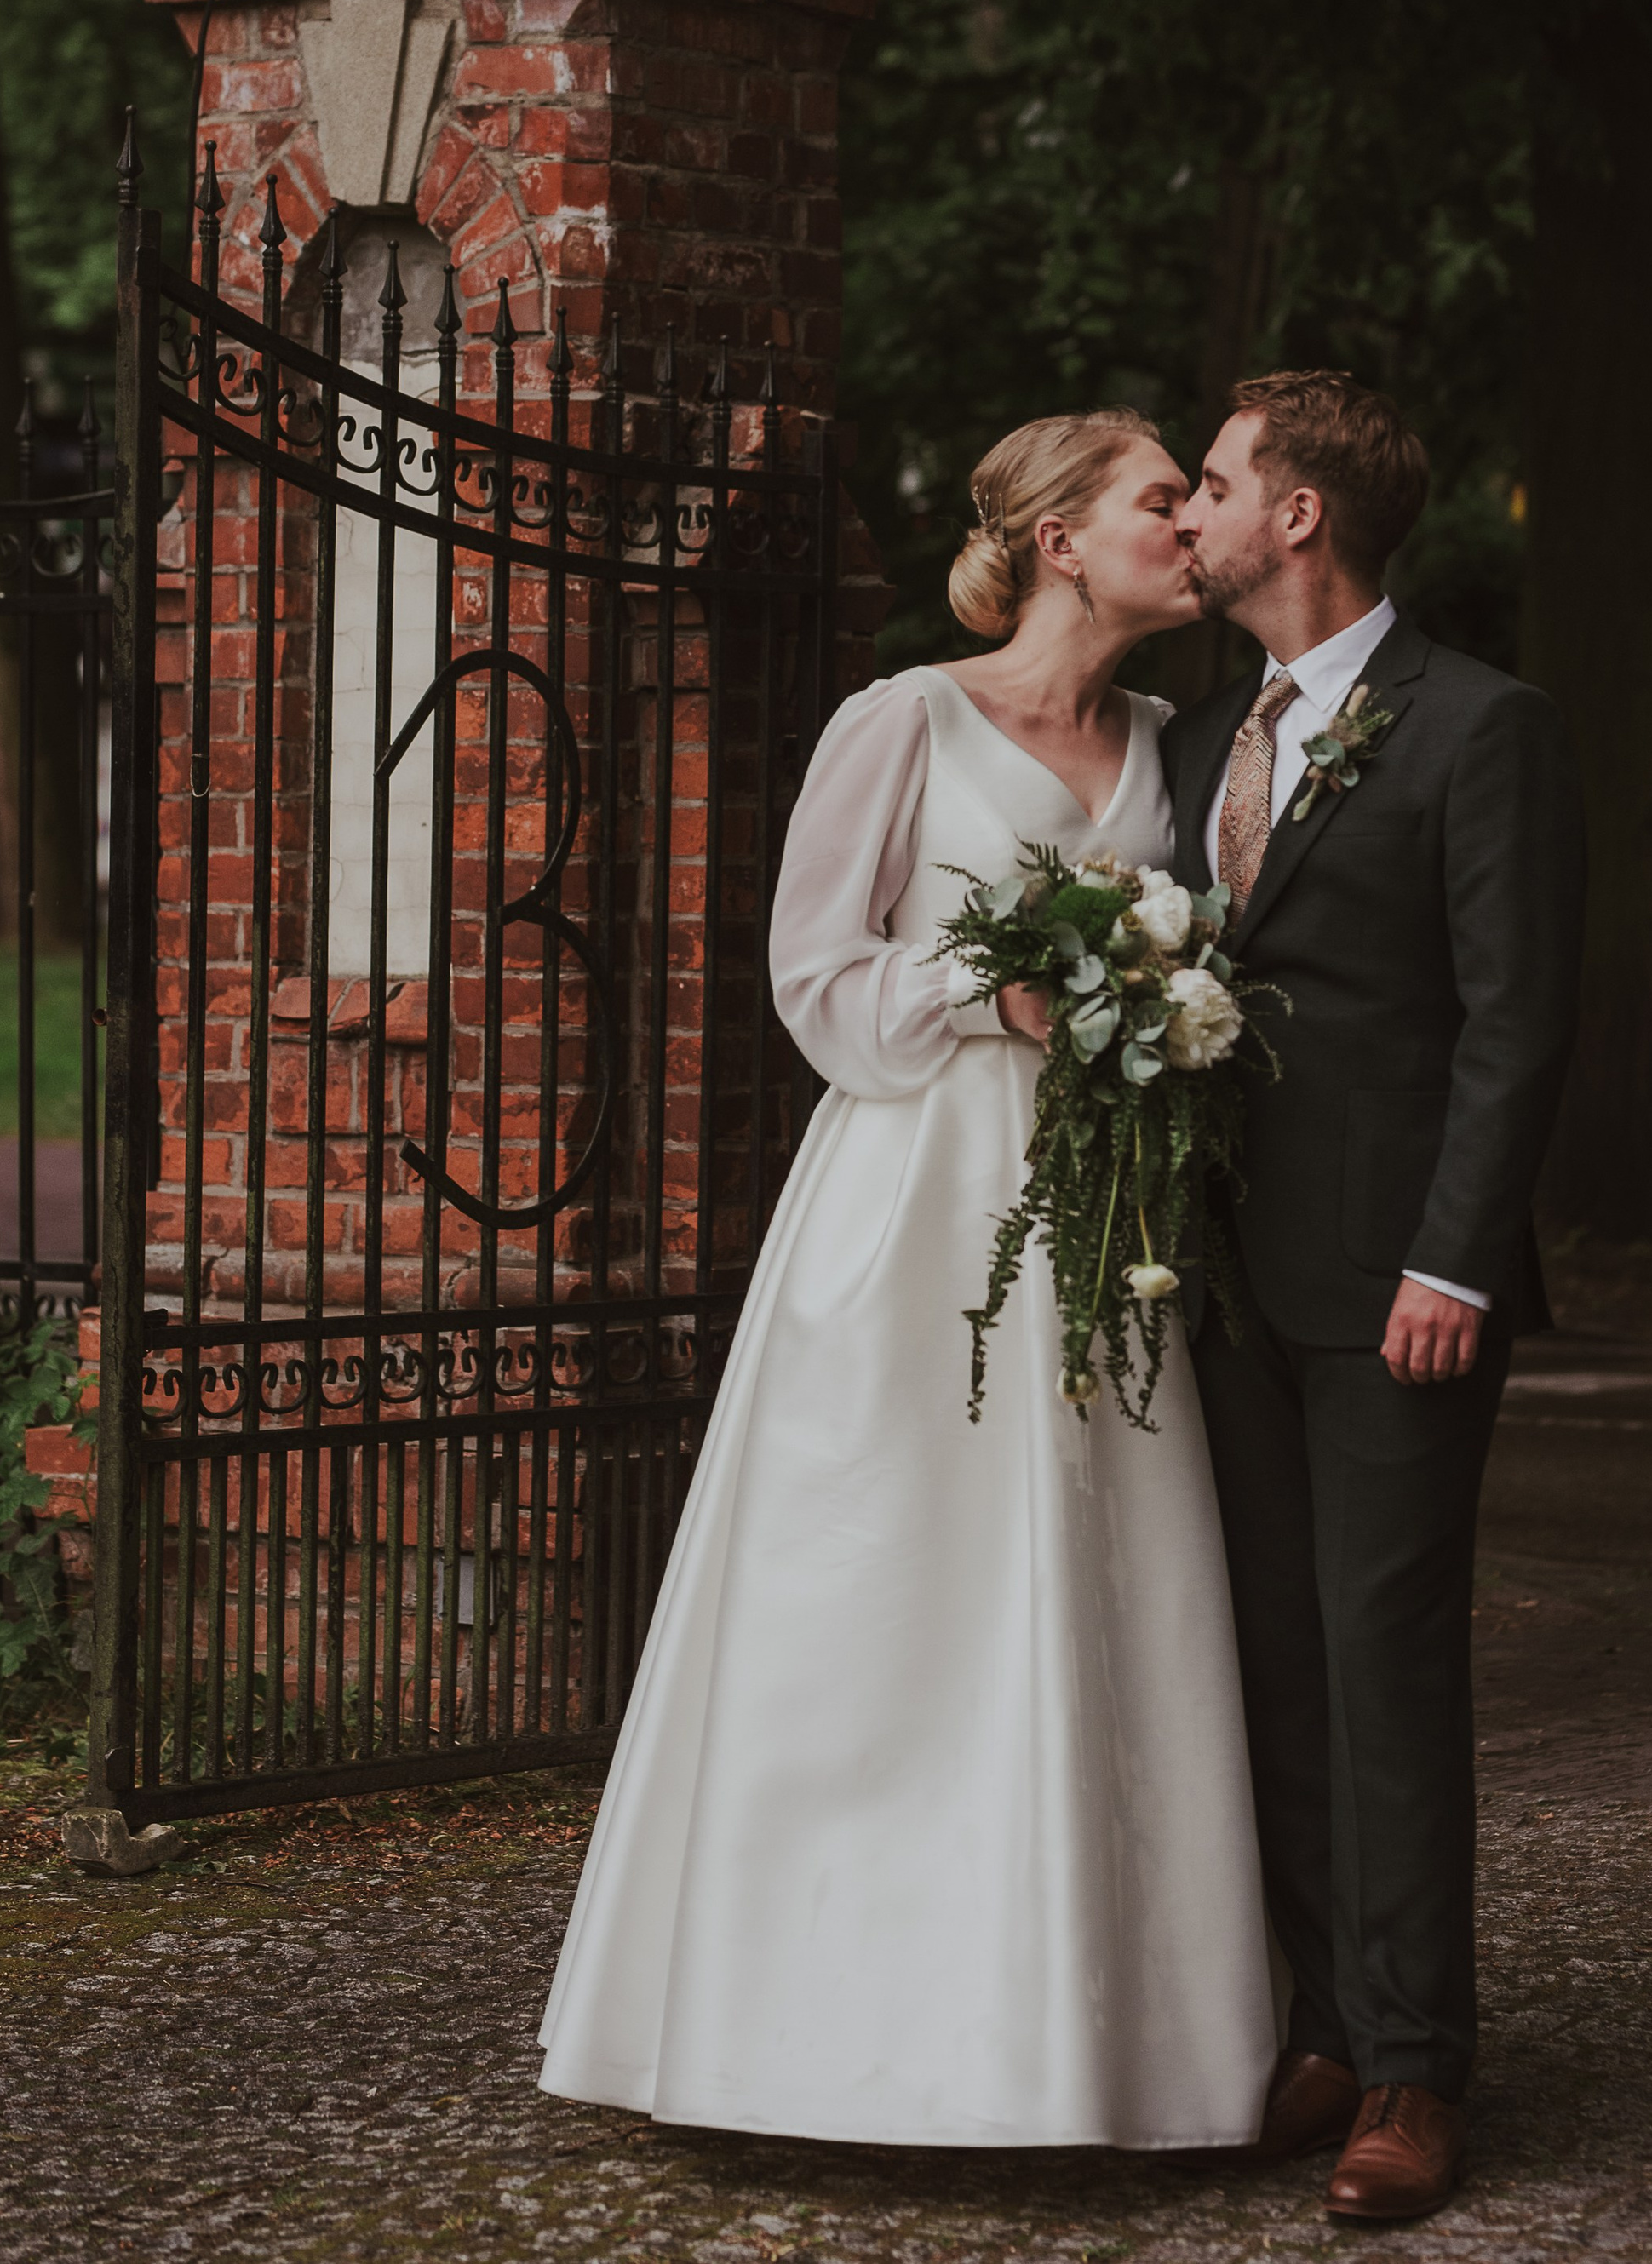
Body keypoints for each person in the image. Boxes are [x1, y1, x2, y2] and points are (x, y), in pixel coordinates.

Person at [538, 410, 1277, 2149]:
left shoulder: (1182, 738)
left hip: (1103, 1220)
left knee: (1098, 1584)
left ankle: (1096, 2043)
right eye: (1158, 497)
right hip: (915, 1203)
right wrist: (989, 998)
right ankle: (794, 2031)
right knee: (883, 1583)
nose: (1189, 526)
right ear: (1055, 537)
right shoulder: (902, 720)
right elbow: (809, 973)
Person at [1166, 370, 1586, 2221]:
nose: (1188, 510)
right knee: (1269, 1660)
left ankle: (1414, 2073)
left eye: (1211, 481)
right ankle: (1323, 2019)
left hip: (1393, 1285)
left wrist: (1452, 1257)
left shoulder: (1476, 729)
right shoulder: (1193, 740)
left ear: (1298, 515)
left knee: (1384, 1664)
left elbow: (1515, 1018)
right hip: (1221, 1280)